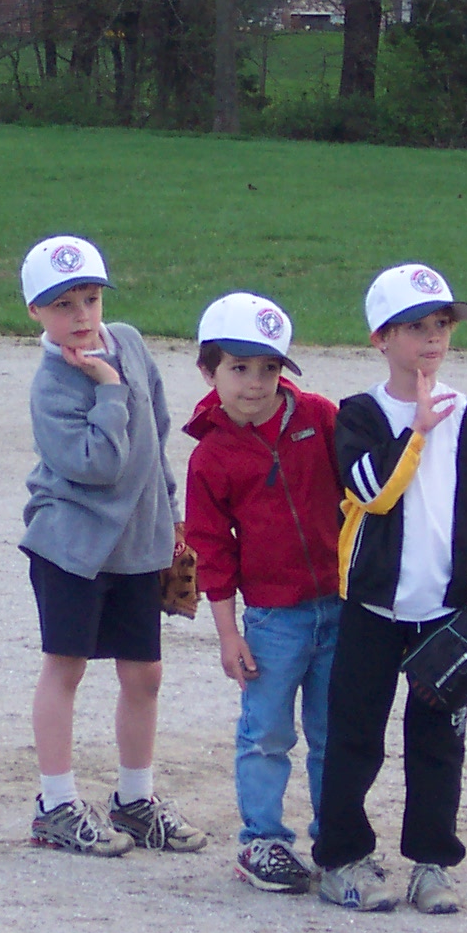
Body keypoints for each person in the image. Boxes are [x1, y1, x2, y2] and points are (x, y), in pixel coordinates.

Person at [313, 263, 467, 913]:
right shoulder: (360, 414)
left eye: (443, 324)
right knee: (354, 736)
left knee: (438, 744)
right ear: (380, 338)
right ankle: (342, 858)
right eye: (416, 326)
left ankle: (432, 864)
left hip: (447, 611)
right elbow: (371, 491)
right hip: (373, 606)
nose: (434, 337)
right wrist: (419, 428)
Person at [17, 234, 209, 857]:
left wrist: (171, 517)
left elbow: (154, 435)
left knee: (145, 672)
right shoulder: (52, 385)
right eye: (62, 304)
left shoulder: (128, 341)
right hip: (71, 545)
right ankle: (56, 804)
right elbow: (99, 465)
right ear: (36, 312)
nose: (81, 315)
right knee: (66, 666)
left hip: (137, 541)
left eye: (90, 298)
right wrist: (106, 387)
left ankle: (135, 800)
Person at [181, 292, 342, 894]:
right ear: (209, 372)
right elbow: (212, 550)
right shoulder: (212, 456)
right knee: (267, 731)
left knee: (334, 732)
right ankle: (263, 841)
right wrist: (229, 634)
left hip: (341, 605)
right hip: (274, 619)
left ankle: (337, 838)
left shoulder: (319, 417)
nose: (256, 383)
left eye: (269, 368)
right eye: (239, 368)